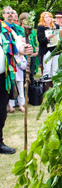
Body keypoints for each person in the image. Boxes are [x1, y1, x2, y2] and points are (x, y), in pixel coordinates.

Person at [1, 8, 33, 154]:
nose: (9, 15)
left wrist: (24, 49)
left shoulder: (6, 28)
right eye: (6, 12)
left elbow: (17, 44)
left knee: (1, 110)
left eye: (11, 12)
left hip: (3, 76)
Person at [37, 11, 59, 79]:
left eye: (49, 17)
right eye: (46, 17)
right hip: (46, 49)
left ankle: (54, 81)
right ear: (43, 18)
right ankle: (46, 82)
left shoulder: (56, 26)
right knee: (47, 67)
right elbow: (40, 40)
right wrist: (48, 38)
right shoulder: (41, 27)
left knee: (55, 67)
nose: (48, 18)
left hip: (55, 49)